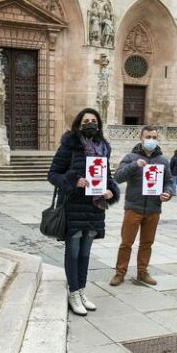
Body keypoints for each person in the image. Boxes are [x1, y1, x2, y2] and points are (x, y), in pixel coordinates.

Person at [48, 108, 120, 315]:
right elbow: (53, 174)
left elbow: (108, 176)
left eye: (93, 120)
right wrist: (73, 180)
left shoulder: (104, 148)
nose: (90, 123)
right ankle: (73, 292)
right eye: (86, 120)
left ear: (98, 124)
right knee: (73, 252)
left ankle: (81, 290)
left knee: (86, 253)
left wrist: (110, 191)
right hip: (73, 206)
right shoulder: (69, 145)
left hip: (95, 208)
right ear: (80, 124)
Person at [110, 126, 173, 286]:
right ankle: (119, 273)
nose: (151, 140)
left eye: (154, 137)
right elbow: (118, 177)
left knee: (147, 243)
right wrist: (135, 165)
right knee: (126, 243)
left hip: (153, 209)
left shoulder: (163, 161)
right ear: (141, 138)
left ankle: (142, 272)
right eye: (148, 137)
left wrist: (168, 193)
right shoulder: (131, 157)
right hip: (133, 208)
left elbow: (169, 182)